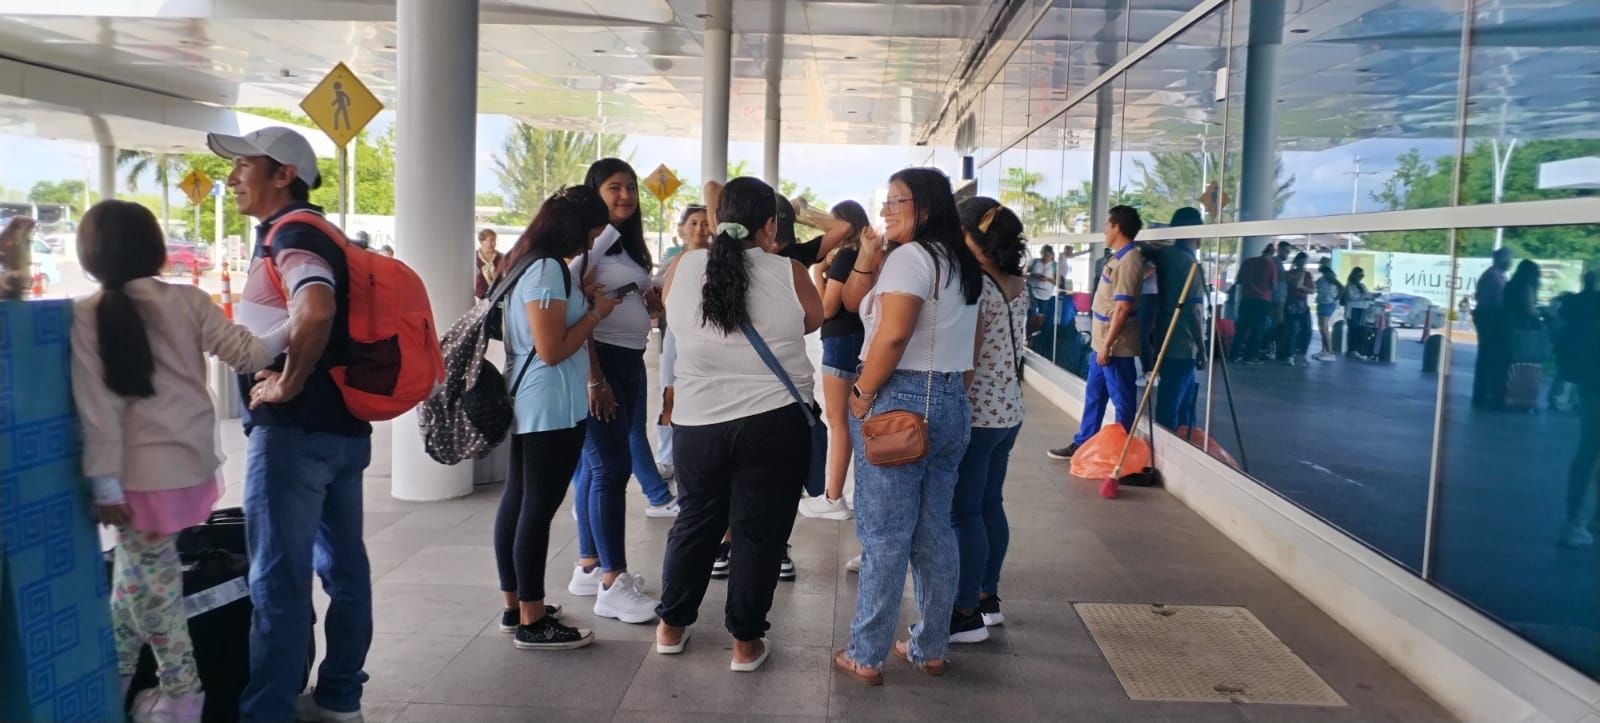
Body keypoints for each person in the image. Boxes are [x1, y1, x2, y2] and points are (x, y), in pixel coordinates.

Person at [70, 201, 285, 722]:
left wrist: (103, 486)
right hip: (187, 471)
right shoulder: (188, 301)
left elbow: (97, 409)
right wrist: (300, 321)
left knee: (157, 590)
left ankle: (182, 698)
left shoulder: (85, 312)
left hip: (133, 483)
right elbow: (252, 355)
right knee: (133, 584)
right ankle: (116, 688)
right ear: (155, 249)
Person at [207, 125, 374, 723]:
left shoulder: (294, 233)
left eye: (243, 165)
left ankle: (268, 713)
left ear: (283, 174)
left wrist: (289, 380)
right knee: (345, 569)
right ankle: (340, 697)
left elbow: (317, 303)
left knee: (277, 580)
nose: (231, 177)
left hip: (294, 436)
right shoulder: (320, 231)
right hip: (342, 431)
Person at [653, 176, 823, 671]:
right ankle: (745, 645)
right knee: (758, 533)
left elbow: (672, 314)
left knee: (695, 524)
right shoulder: (790, 272)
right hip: (773, 424)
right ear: (770, 225)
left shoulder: (685, 266)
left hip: (696, 424)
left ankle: (671, 627)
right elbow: (811, 321)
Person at [834, 167, 982, 685]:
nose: (886, 210)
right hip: (950, 402)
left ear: (925, 206)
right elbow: (974, 346)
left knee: (885, 535)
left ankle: (866, 655)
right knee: (934, 528)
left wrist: (862, 394)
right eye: (887, 200)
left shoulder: (913, 259)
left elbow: (892, 338)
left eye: (897, 201)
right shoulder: (961, 262)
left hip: (897, 399)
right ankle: (931, 646)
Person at [492, 186, 622, 650]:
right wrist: (597, 314)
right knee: (536, 509)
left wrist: (580, 302)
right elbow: (551, 350)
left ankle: (516, 606)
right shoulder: (547, 268)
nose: (589, 243)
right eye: (590, 233)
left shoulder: (523, 261)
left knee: (519, 500)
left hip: (531, 401)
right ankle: (532, 619)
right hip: (548, 405)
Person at [567, 158, 666, 625]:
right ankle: (612, 582)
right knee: (610, 467)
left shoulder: (625, 247)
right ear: (594, 194)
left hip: (629, 360)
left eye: (630, 188)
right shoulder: (590, 244)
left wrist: (649, 299)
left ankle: (590, 564)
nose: (625, 195)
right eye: (613, 188)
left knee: (597, 467)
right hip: (601, 362)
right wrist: (594, 378)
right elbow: (573, 302)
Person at [950, 197, 1029, 644]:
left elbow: (969, 357)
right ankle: (988, 598)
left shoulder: (973, 284)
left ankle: (964, 611)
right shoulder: (1019, 281)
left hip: (978, 413)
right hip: (1009, 411)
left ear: (969, 237)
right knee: (988, 504)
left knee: (964, 511)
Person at [1048, 206, 1145, 461]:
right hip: (1101, 341)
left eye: (1107, 225)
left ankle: (1122, 455)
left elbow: (1122, 308)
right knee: (1094, 396)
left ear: (1118, 228)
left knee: (1122, 400)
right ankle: (1084, 443)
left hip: (1116, 346)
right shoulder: (1116, 258)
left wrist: (1108, 345)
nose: (1104, 230)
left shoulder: (1130, 261)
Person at [799, 200, 873, 521]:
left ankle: (833, 498)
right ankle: (858, 494)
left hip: (840, 341)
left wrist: (818, 273)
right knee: (856, 422)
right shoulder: (865, 255)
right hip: (859, 341)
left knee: (838, 422)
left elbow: (827, 308)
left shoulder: (845, 256)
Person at [654, 204, 712, 481]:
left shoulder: (719, 259)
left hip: (708, 337)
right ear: (682, 228)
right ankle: (666, 456)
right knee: (670, 394)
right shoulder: (674, 258)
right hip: (677, 335)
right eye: (693, 223)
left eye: (705, 222)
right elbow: (664, 297)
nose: (700, 229)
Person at [1152, 207, 1208, 431]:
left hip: (1163, 335)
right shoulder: (1188, 263)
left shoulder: (1165, 256)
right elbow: (1193, 312)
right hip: (1183, 343)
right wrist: (1202, 349)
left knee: (1170, 397)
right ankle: (1174, 448)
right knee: (1178, 402)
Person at [1560, 271, 1599, 547]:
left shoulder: (1582, 303)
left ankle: (1573, 519)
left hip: (1590, 380)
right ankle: (1587, 520)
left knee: (1588, 449)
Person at [1472, 248, 1514, 408]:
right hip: (1490, 319)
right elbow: (1496, 301)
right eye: (1509, 259)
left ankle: (1483, 392)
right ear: (1502, 260)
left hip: (1488, 318)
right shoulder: (1494, 277)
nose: (1510, 263)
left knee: (1486, 356)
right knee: (1487, 357)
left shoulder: (1494, 275)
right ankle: (1483, 393)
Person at [1231, 242, 1280, 364]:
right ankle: (1251, 356)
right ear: (1272, 253)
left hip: (1246, 299)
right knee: (1257, 329)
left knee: (1242, 328)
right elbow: (1274, 285)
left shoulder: (1247, 262)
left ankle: (1234, 354)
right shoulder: (1270, 264)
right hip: (1262, 300)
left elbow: (1239, 280)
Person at [1279, 252, 1316, 366]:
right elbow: (1296, 285)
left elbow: (1313, 290)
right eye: (1303, 261)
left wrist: (1303, 287)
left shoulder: (1308, 275)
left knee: (1307, 330)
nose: (1304, 263)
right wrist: (1301, 274)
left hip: (1303, 304)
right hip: (1292, 303)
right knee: (1292, 330)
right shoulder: (1289, 273)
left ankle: (1302, 354)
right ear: (1298, 261)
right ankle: (1289, 355)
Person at [1314, 261, 1343, 361]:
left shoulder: (1329, 276)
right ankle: (1324, 350)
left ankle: (1330, 352)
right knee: (1322, 328)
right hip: (1323, 303)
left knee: (1325, 328)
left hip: (1327, 303)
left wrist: (1336, 298)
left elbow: (1341, 287)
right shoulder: (1323, 277)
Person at [475, 228, 503, 299]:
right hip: (478, 297)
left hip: (496, 296)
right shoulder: (474, 257)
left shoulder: (501, 257)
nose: (493, 243)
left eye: (494, 240)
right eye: (490, 240)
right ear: (482, 241)